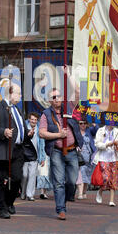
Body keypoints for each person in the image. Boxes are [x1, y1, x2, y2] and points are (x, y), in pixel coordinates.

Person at [0, 83, 34, 219]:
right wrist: (3, 131)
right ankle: (0, 208)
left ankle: (8, 202)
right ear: (11, 93)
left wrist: (28, 133)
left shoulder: (18, 110)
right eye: (18, 93)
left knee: (18, 178)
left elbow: (21, 128)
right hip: (1, 150)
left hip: (17, 150)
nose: (20, 96)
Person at [39, 88, 83, 220]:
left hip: (72, 151)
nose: (57, 98)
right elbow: (42, 133)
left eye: (58, 95)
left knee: (72, 180)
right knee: (58, 182)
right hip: (57, 151)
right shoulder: (45, 114)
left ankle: (65, 199)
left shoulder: (69, 108)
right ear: (49, 100)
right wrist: (59, 135)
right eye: (53, 97)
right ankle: (61, 209)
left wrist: (68, 74)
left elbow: (77, 92)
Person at [92, 125, 118, 207]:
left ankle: (111, 200)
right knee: (106, 178)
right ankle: (100, 191)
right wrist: (107, 144)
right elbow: (97, 144)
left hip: (114, 158)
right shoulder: (100, 130)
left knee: (114, 179)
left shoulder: (117, 131)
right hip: (103, 158)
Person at [21, 112, 45, 201]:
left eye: (35, 120)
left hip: (35, 156)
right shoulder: (24, 128)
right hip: (24, 155)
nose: (33, 121)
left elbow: (42, 144)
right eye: (32, 119)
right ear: (29, 119)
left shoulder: (39, 130)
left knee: (32, 175)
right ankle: (23, 192)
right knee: (24, 175)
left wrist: (42, 157)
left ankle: (30, 194)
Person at [76, 120, 98, 199]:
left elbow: (96, 130)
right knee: (80, 174)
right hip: (79, 156)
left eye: (85, 123)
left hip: (89, 156)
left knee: (87, 175)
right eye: (81, 123)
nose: (83, 125)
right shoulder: (76, 131)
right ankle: (80, 193)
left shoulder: (89, 130)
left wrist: (94, 123)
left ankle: (84, 192)